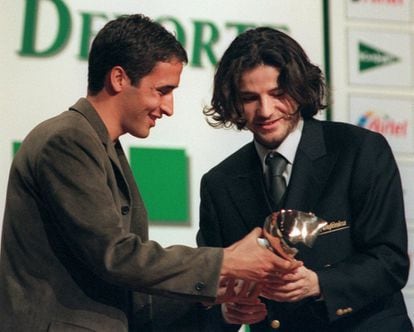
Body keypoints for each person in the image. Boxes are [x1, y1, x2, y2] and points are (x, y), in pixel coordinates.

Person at [0, 15, 299, 331]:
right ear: (118, 79)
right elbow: (114, 256)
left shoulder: (102, 145)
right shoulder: (68, 140)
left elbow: (126, 291)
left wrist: (212, 294)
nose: (169, 107)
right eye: (162, 90)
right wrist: (226, 261)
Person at [197, 27, 413, 331]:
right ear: (233, 102)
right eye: (249, 98)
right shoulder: (219, 182)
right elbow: (208, 287)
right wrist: (227, 312)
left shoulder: (359, 150)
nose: (265, 110)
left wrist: (318, 283)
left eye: (277, 94)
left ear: (300, 89)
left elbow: (390, 260)